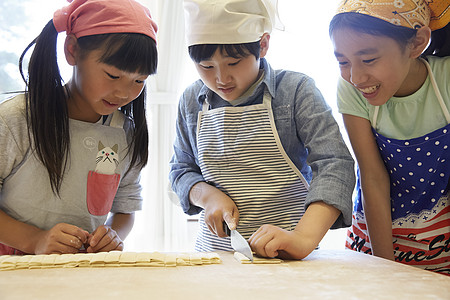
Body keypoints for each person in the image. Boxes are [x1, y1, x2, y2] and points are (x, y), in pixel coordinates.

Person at [169, 0, 355, 260]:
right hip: (214, 257)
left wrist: (302, 238)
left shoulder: (296, 91)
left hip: (288, 256)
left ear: (263, 44)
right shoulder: (191, 101)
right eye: (206, 67)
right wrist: (207, 195)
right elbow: (180, 170)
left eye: (233, 62)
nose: (221, 79)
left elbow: (335, 164)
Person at [0, 0, 158, 255]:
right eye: (113, 75)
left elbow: (125, 210)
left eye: (139, 80)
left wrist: (113, 234)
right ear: (72, 50)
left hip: (80, 269)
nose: (124, 92)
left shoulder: (126, 133)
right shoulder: (15, 119)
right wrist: (35, 240)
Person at [329, 0, 450, 275]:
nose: (356, 76)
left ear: (417, 43)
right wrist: (386, 270)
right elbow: (372, 176)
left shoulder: (446, 80)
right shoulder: (350, 89)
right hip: (375, 241)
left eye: (369, 59)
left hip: (441, 247)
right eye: (343, 61)